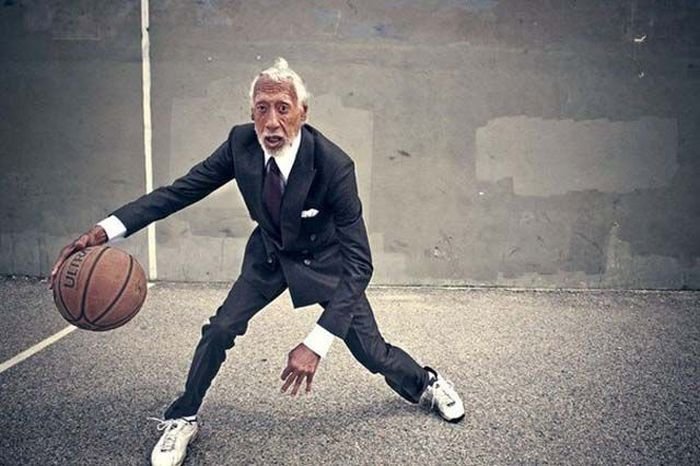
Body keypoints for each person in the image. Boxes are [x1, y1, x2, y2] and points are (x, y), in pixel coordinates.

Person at [50, 58, 464, 466]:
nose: (271, 122)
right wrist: (103, 231)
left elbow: (360, 264)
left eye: (283, 108)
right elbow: (178, 193)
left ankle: (426, 383)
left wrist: (316, 343)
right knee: (220, 329)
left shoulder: (334, 166)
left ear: (303, 113)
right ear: (251, 115)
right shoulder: (240, 144)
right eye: (262, 109)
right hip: (269, 255)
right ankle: (182, 417)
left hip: (326, 261)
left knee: (372, 353)